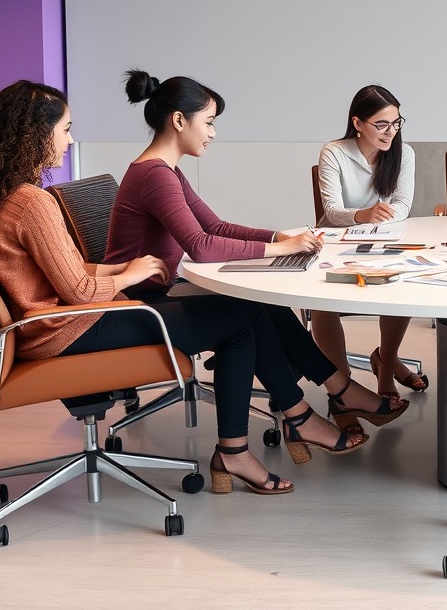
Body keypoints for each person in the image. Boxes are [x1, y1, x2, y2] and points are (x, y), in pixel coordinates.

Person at [0, 79, 358, 498]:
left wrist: (121, 266)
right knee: (240, 320)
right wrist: (126, 276)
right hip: (67, 329)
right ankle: (261, 435)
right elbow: (82, 293)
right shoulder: (32, 202)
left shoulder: (1, 197)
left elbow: (61, 272)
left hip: (50, 325)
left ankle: (285, 420)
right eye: (66, 129)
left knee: (244, 311)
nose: (71, 140)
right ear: (35, 135)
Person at [103, 70, 408, 444]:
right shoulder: (155, 176)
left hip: (159, 292)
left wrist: (281, 236)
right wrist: (280, 249)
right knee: (249, 311)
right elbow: (201, 245)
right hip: (140, 303)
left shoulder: (166, 172)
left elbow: (216, 226)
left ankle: (333, 392)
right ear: (180, 121)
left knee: (260, 303)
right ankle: (310, 407)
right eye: (209, 122)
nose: (213, 133)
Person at [313, 85, 425, 397]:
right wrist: (364, 215)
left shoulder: (405, 153)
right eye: (382, 124)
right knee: (323, 302)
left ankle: (386, 364)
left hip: (386, 239)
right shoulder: (334, 152)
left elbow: (403, 204)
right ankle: (343, 385)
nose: (391, 132)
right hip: (337, 241)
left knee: (401, 287)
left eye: (396, 122)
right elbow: (333, 212)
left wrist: (382, 220)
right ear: (358, 123)